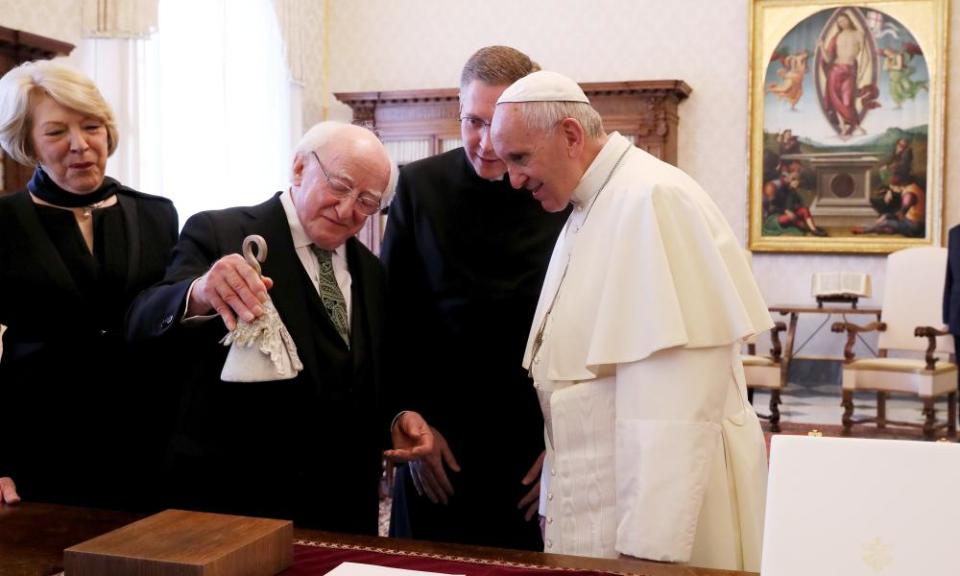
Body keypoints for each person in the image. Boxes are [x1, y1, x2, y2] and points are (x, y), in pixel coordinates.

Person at [490, 71, 772, 571]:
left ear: (571, 136)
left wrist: (648, 551)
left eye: (520, 158)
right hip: (599, 487)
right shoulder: (594, 199)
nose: (513, 179)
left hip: (653, 519)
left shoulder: (650, 200)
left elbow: (672, 407)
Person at [126, 121, 396, 533]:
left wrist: (398, 418)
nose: (347, 210)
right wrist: (200, 291)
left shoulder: (372, 271)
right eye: (339, 187)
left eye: (367, 200)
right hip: (240, 500)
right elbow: (143, 320)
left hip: (343, 508)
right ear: (300, 169)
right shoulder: (221, 233)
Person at [381, 46, 567, 550]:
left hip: (533, 443)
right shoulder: (418, 187)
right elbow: (390, 317)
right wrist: (403, 416)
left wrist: (569, 443)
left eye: (499, 124)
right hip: (435, 443)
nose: (485, 143)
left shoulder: (558, 194)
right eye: (472, 121)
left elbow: (588, 327)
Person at [0, 60, 179, 509]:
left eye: (92, 126)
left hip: (148, 447)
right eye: (57, 132)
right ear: (28, 143)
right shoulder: (3, 223)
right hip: (42, 451)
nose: (80, 145)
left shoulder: (157, 214)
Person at [820, 11, 875, 137]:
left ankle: (856, 125)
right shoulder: (837, 37)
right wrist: (822, 47)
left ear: (849, 20)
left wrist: (861, 73)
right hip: (835, 70)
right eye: (839, 22)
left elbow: (866, 56)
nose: (842, 23)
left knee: (847, 101)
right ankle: (843, 127)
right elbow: (828, 59)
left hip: (849, 70)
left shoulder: (858, 34)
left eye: (844, 20)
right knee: (836, 100)